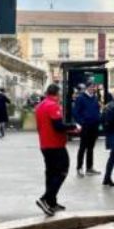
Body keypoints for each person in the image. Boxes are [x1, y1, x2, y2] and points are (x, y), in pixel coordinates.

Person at [34, 84, 80, 216]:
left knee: (51, 173)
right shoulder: (52, 105)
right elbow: (58, 126)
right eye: (59, 94)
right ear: (57, 94)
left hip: (45, 144)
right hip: (55, 145)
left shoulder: (40, 105)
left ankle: (52, 203)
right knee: (62, 171)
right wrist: (73, 127)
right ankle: (45, 198)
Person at [73, 81, 102, 177]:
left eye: (94, 87)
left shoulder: (95, 98)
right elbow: (76, 113)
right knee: (82, 147)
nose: (93, 89)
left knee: (91, 148)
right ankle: (79, 168)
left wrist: (98, 119)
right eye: (91, 87)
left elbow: (97, 110)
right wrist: (82, 123)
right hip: (85, 127)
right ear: (87, 88)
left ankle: (89, 168)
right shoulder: (80, 98)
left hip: (94, 126)